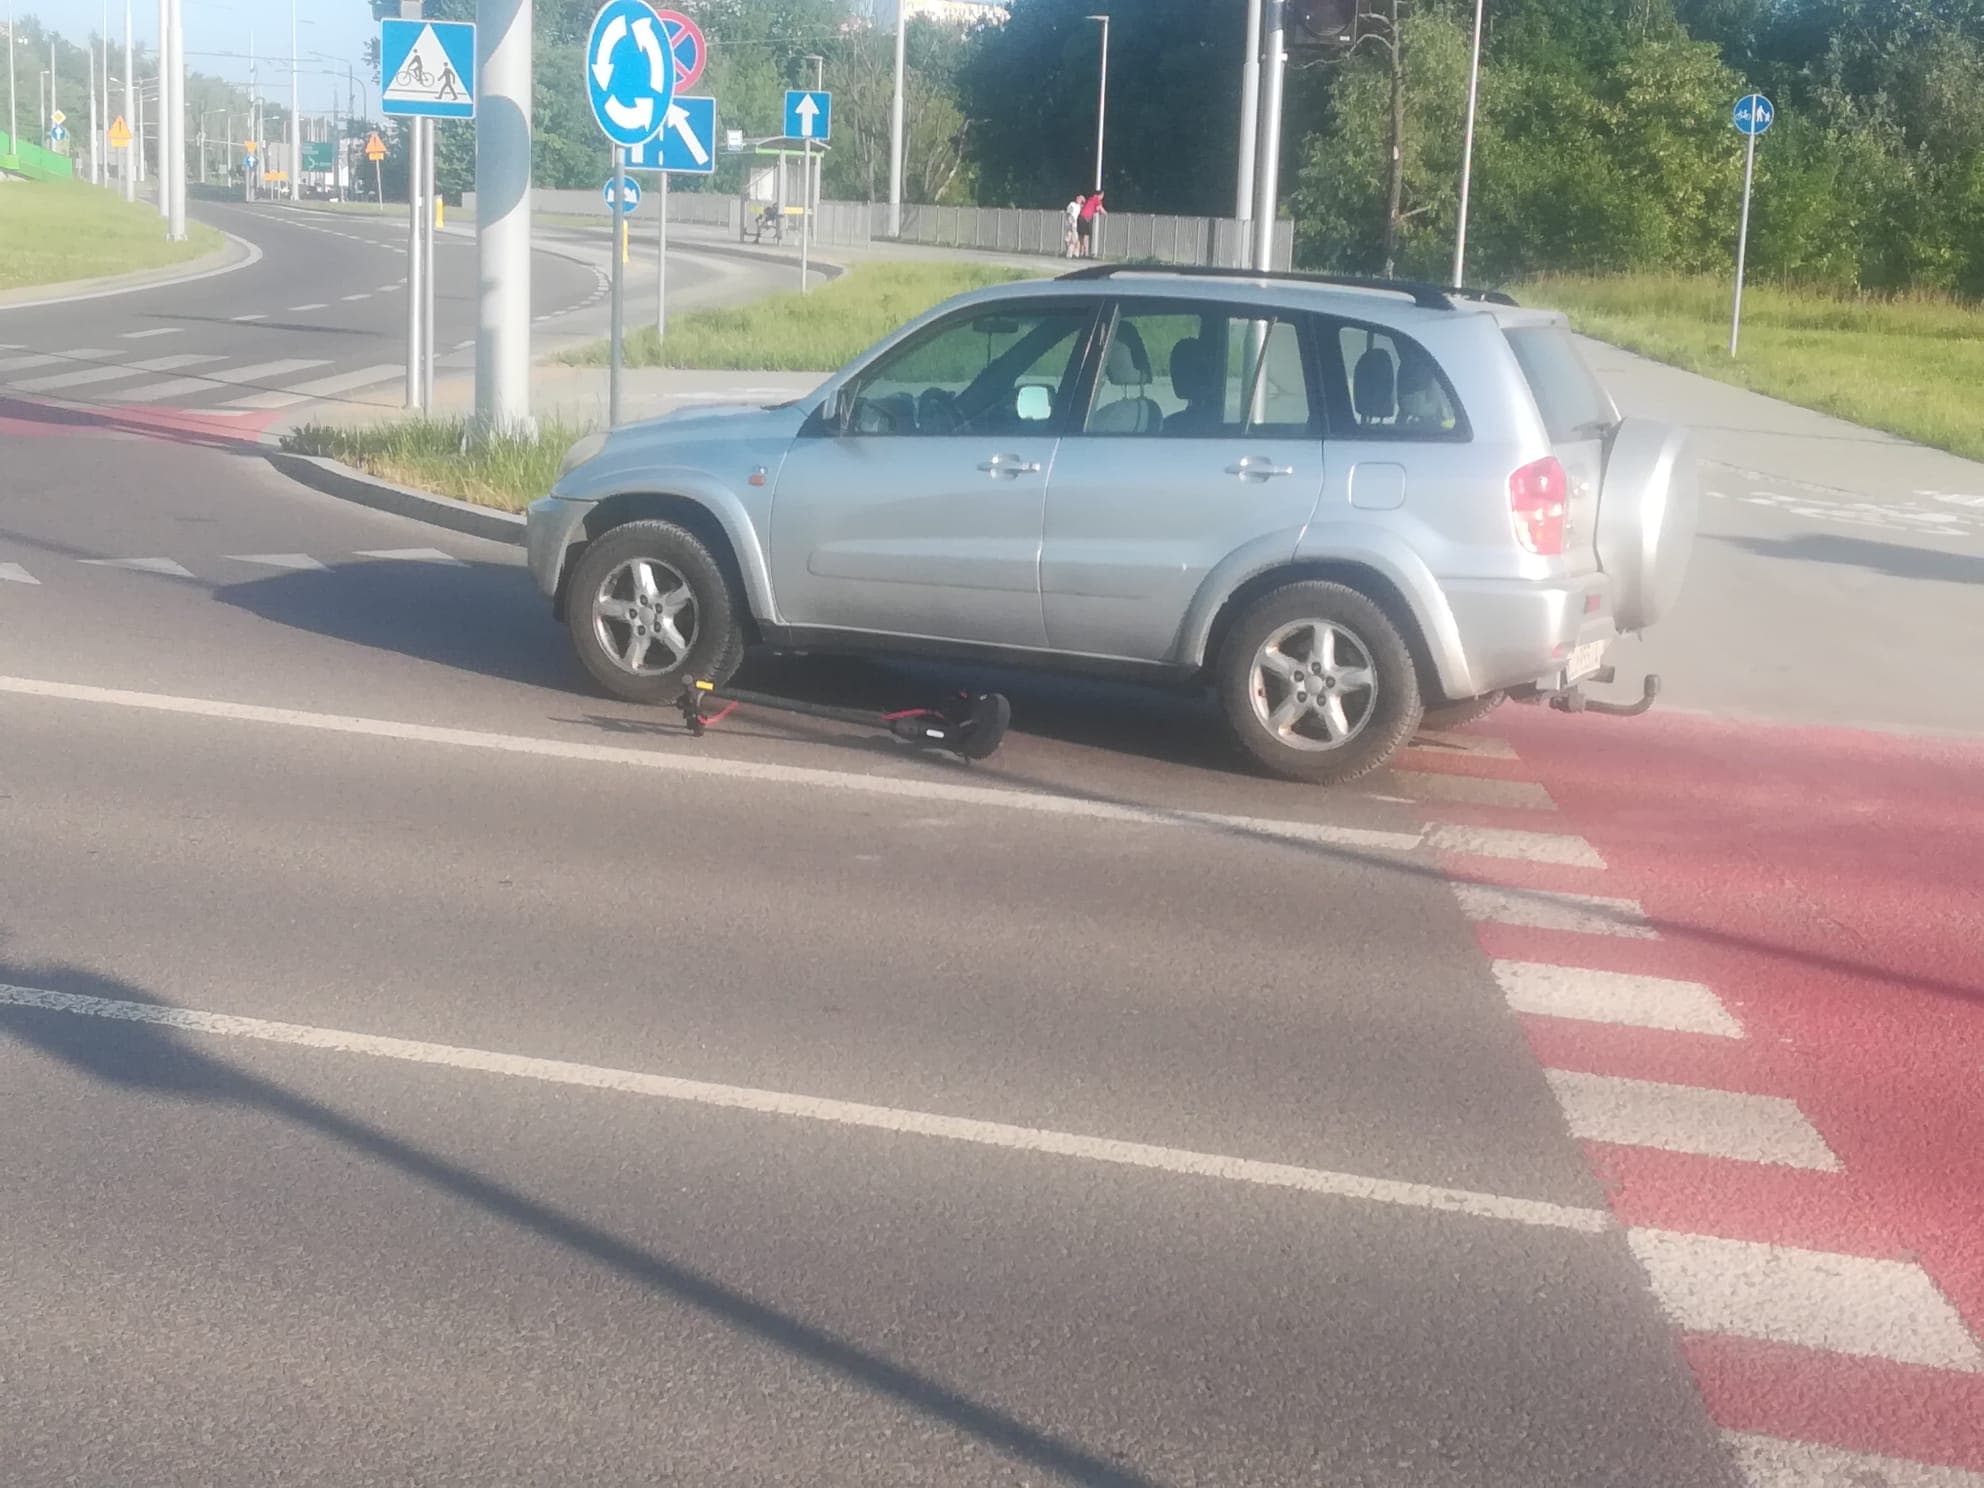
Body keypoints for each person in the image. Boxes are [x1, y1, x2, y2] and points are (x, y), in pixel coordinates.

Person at [1078, 190, 1106, 258]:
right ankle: (1086, 253)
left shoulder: (1091, 198)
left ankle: (1081, 252)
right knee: (1086, 236)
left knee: (1081, 236)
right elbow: (1100, 208)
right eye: (1103, 195)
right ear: (1101, 195)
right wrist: (1106, 213)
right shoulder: (1097, 199)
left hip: (1081, 216)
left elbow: (1094, 208)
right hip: (1086, 218)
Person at [1064, 194, 1084, 259]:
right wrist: (1070, 219)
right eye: (1078, 198)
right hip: (1070, 223)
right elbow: (1068, 212)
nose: (1078, 199)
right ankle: (1071, 253)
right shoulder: (1072, 204)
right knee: (1069, 239)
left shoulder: (1079, 206)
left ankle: (1072, 253)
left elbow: (1083, 205)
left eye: (1080, 199)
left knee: (1074, 239)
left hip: (1074, 224)